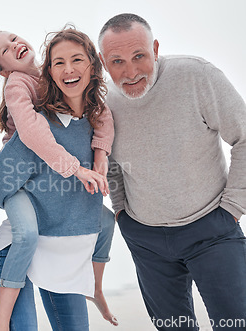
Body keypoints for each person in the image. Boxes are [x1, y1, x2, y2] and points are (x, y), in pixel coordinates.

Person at [99, 13, 246, 330]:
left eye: (139, 56)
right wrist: (122, 211)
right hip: (147, 239)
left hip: (212, 230)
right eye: (118, 62)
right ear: (102, 61)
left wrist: (233, 206)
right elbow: (108, 160)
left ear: (154, 48)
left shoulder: (196, 75)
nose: (131, 71)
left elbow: (244, 137)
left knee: (235, 323)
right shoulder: (104, 102)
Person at [0, 27, 115, 330]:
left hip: (50, 194)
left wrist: (100, 155)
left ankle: (95, 287)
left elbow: (103, 115)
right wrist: (76, 168)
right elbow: (34, 132)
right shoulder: (18, 84)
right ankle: (0, 323)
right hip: (16, 182)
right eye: (5, 50)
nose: (15, 45)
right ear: (4, 71)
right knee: (26, 234)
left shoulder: (56, 82)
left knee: (106, 222)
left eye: (14, 38)